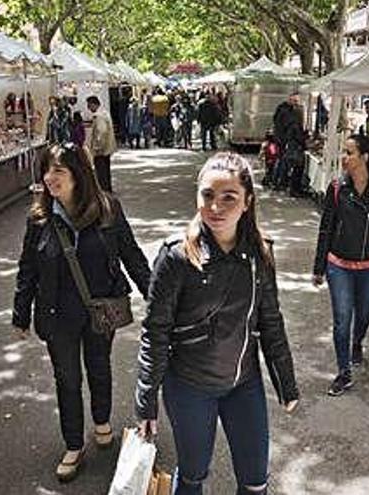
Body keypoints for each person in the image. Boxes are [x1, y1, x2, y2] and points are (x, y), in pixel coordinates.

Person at [136, 153, 300, 495]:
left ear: (247, 202)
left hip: (244, 383)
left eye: (229, 197)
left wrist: (286, 383)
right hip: (189, 387)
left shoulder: (260, 253)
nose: (215, 207)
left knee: (256, 481)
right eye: (208, 195)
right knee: (193, 475)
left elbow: (270, 321)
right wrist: (146, 399)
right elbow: (156, 332)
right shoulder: (177, 256)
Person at [12, 143, 151, 482]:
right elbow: (27, 268)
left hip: (100, 309)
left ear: (78, 174)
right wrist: (20, 313)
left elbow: (131, 255)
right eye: (46, 170)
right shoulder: (39, 218)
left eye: (58, 170)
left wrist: (155, 296)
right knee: (68, 379)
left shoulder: (107, 209)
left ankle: (102, 420)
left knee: (99, 367)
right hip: (57, 315)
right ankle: (73, 444)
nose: (49, 177)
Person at [312, 134, 369, 396]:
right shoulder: (337, 187)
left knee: (362, 316)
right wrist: (319, 267)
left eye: (349, 152)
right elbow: (325, 229)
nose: (344, 157)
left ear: (364, 157)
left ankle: (357, 343)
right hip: (338, 265)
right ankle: (343, 373)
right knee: (342, 319)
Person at [271, 91, 304, 191]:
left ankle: (277, 181)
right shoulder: (287, 112)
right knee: (283, 162)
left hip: (280, 139)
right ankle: (279, 182)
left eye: (296, 101)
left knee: (280, 161)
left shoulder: (282, 108)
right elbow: (289, 128)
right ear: (290, 99)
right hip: (283, 140)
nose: (295, 103)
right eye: (294, 101)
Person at [86, 96, 118, 193]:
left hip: (101, 149)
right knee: (105, 170)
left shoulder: (99, 116)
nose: (88, 108)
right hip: (107, 148)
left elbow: (101, 132)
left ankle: (104, 190)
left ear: (93, 104)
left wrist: (97, 147)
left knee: (101, 171)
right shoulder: (105, 113)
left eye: (89, 105)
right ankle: (107, 188)